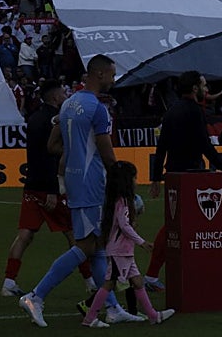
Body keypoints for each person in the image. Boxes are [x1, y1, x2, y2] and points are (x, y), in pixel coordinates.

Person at [20, 55, 143, 327]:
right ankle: (36, 295)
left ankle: (111, 308)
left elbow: (52, 146)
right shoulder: (98, 109)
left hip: (75, 181)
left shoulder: (68, 104)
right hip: (91, 183)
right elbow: (107, 153)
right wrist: (124, 189)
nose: (113, 79)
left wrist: (76, 151)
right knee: (86, 247)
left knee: (98, 248)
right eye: (111, 75)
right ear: (98, 74)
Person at [2, 79, 94, 297]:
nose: (66, 96)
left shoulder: (34, 118)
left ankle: (8, 282)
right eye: (63, 93)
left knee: (25, 235)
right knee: (75, 235)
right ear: (55, 98)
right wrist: (54, 188)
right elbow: (48, 156)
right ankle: (90, 281)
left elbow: (37, 157)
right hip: (49, 187)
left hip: (32, 185)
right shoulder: (54, 121)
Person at [143, 71, 222, 289]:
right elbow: (204, 145)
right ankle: (156, 275)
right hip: (191, 175)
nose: (206, 87)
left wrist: (156, 177)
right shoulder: (194, 111)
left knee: (178, 225)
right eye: (203, 84)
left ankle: (211, 272)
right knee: (200, 226)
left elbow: (161, 145)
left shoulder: (172, 110)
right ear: (194, 88)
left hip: (174, 172)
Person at [81, 162, 175, 326]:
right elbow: (124, 226)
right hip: (120, 251)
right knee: (109, 284)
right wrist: (142, 242)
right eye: (134, 178)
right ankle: (89, 318)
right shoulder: (123, 202)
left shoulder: (115, 201)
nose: (136, 181)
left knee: (138, 281)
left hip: (122, 251)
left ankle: (153, 316)